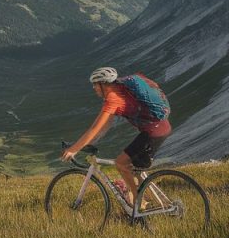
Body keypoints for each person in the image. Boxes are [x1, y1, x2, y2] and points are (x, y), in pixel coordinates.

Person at [61, 66, 171, 210]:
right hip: (159, 128)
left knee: (121, 163)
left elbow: (94, 129)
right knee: (133, 169)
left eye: (95, 84)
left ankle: (137, 205)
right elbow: (104, 126)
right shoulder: (120, 88)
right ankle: (148, 204)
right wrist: (88, 143)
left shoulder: (113, 99)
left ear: (103, 84)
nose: (94, 88)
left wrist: (74, 149)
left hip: (153, 132)